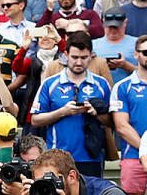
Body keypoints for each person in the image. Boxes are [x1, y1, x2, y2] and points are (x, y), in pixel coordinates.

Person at [30, 32, 112, 177]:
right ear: (66, 55)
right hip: (57, 157)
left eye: (84, 58)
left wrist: (96, 113)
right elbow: (35, 120)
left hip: (91, 157)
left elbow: (113, 122)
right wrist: (62, 112)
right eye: (74, 57)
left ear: (91, 56)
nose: (79, 62)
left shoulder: (101, 84)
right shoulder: (50, 84)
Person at [110, 34, 147, 195]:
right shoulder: (123, 86)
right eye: (146, 52)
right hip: (133, 156)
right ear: (136, 54)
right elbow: (121, 126)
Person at [36, 0, 104, 39]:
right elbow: (38, 33)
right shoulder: (52, 18)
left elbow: (99, 32)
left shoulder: (90, 14)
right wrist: (49, 9)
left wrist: (69, 24)